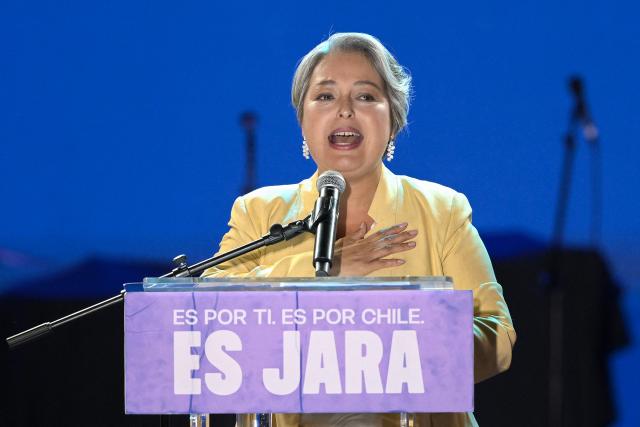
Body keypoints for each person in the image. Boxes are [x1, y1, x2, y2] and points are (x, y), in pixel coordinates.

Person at [203, 32, 516, 427]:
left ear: (394, 119)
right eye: (325, 96)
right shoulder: (259, 213)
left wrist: (403, 347)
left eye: (366, 96)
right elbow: (205, 317)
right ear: (302, 118)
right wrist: (322, 272)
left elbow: (497, 335)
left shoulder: (442, 211)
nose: (346, 110)